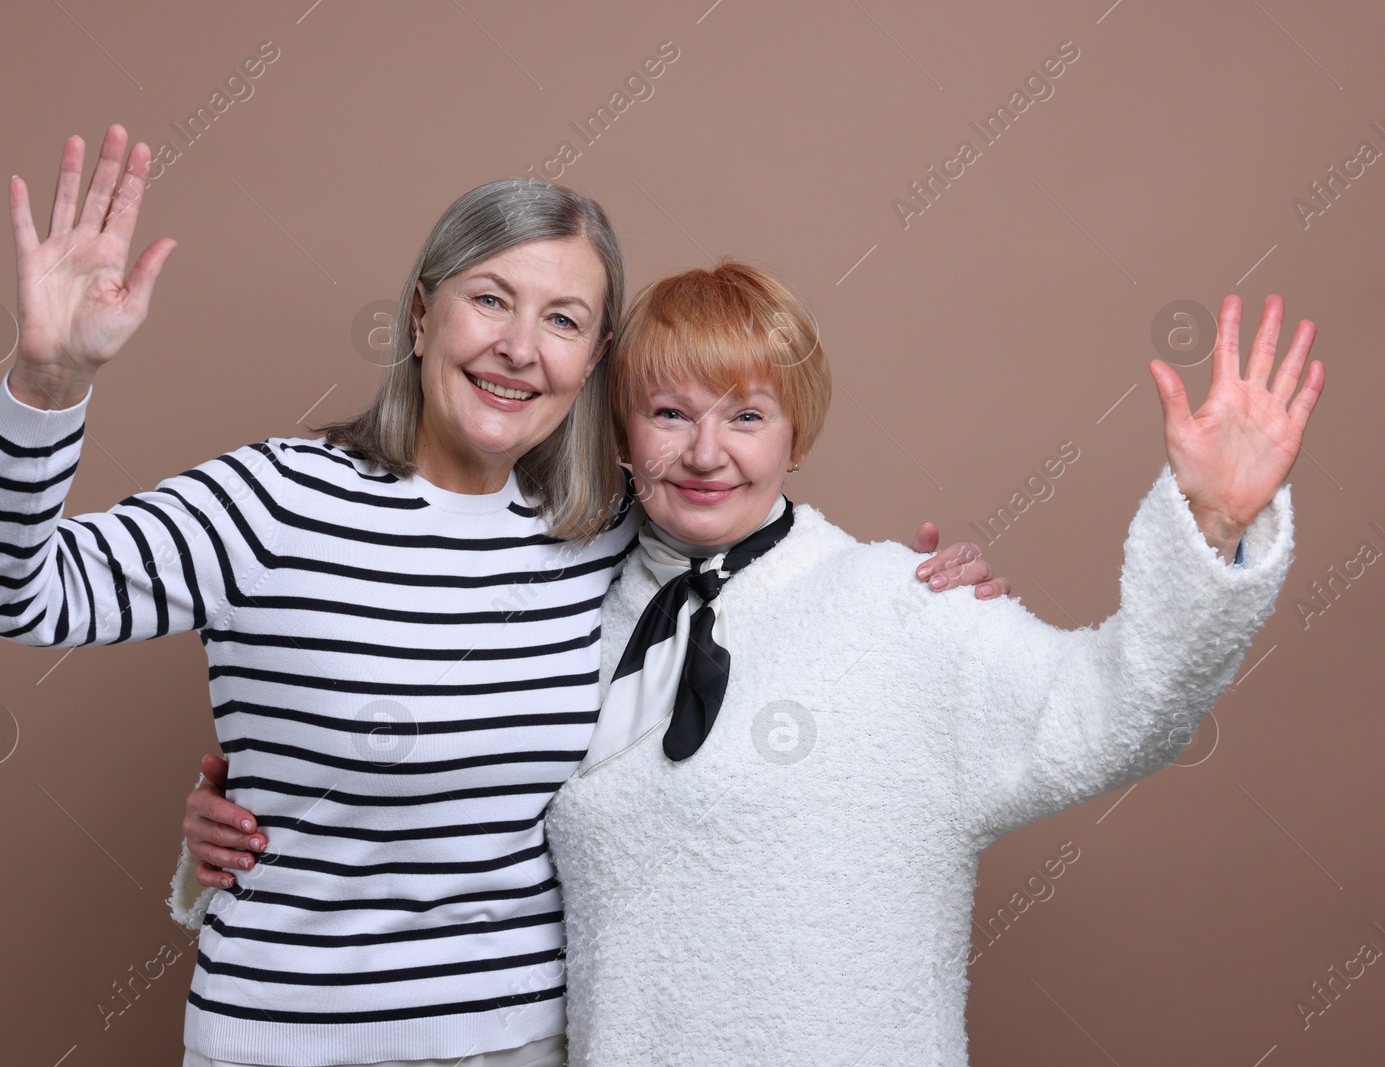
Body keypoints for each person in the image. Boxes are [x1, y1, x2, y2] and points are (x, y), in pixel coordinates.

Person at [0, 125, 994, 1067]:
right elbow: (5, 588)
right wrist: (48, 381)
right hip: (285, 1038)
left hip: (525, 1036)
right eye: (490, 298)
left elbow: (763, 609)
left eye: (564, 318)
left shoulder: (606, 536)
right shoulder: (271, 497)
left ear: (593, 362)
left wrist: (915, 598)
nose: (519, 346)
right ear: (420, 313)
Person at [178, 261, 1322, 1065]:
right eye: (668, 412)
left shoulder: (900, 602)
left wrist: (1206, 524)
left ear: (796, 430)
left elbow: (1117, 709)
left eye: (746, 413)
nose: (706, 451)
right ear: (620, 432)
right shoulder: (559, 610)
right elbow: (428, 792)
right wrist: (237, 810)